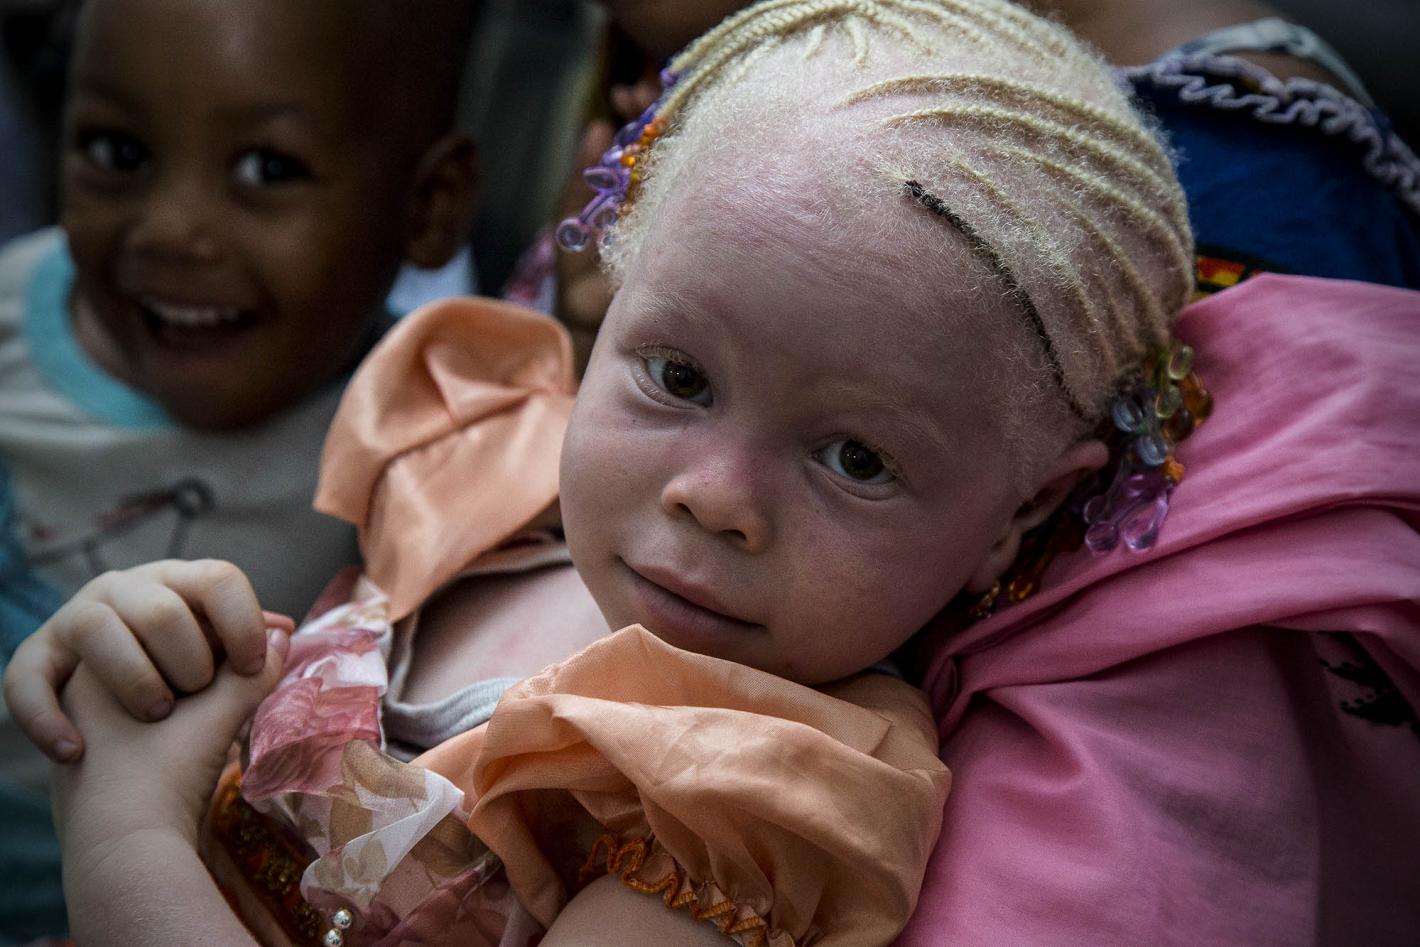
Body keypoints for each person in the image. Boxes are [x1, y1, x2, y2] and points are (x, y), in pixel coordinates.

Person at [13, 1, 1420, 945]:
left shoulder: (759, 786)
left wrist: (122, 833)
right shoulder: (490, 477)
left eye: (857, 457)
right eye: (677, 376)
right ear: (604, 291)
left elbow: (150, 821)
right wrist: (166, 654)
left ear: (1027, 511)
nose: (714, 493)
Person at [0, 0, 479, 939]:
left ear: (428, 205)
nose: (172, 231)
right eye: (118, 152)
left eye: (267, 169)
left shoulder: (438, 444)